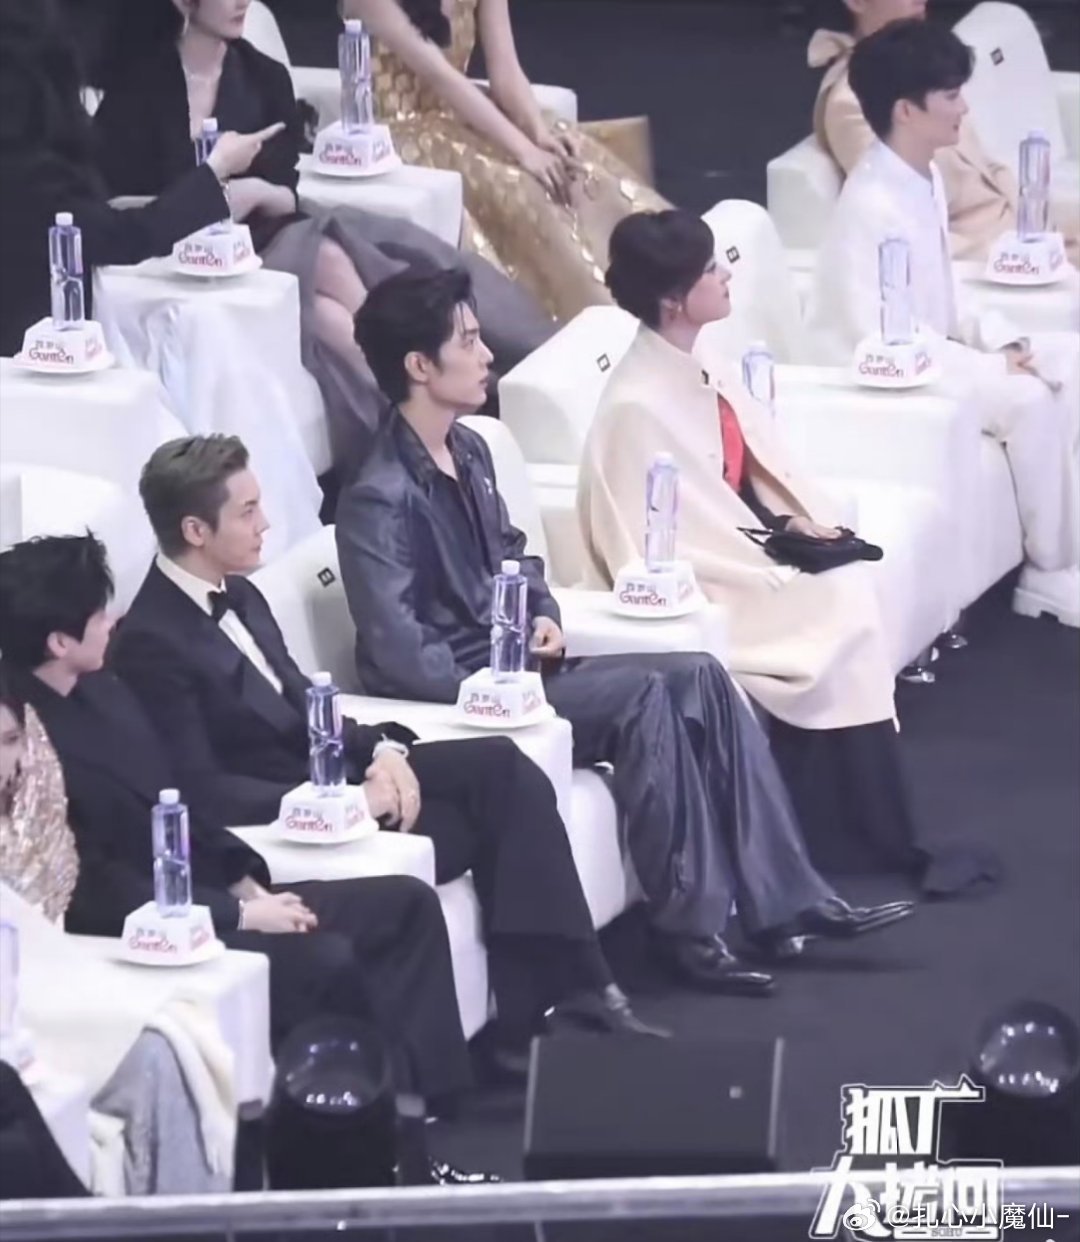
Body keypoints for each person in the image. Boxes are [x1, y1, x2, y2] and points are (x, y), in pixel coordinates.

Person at [333, 266, 918, 998]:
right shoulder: (378, 497)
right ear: (420, 366)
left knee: (699, 671)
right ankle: (692, 930)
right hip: (472, 697)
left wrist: (543, 611)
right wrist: (498, 685)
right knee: (643, 695)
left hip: (524, 667)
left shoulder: (471, 449)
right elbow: (398, 652)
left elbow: (516, 553)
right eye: (470, 341)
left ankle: (789, 899)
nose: (487, 355)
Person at [108, 435, 662, 1065]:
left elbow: (303, 698)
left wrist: (379, 750)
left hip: (339, 777)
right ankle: (538, 1020)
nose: (266, 524)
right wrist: (348, 801)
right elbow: (202, 789)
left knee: (503, 769)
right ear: (195, 530)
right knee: (486, 824)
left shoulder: (241, 592)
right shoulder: (152, 639)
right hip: (296, 814)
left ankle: (572, 992)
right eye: (248, 511)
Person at [0, 536, 494, 1183]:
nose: (112, 620)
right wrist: (234, 916)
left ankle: (425, 1121)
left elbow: (177, 799)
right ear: (59, 641)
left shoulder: (105, 690)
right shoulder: (26, 742)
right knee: (324, 960)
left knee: (404, 905)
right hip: (143, 927)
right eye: (98, 613)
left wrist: (245, 883)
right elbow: (92, 886)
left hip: (208, 890)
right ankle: (360, 1162)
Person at [580, 209, 999, 896]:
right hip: (705, 580)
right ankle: (841, 832)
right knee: (838, 600)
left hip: (745, 545)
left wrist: (791, 525)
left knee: (846, 585)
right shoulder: (635, 403)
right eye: (710, 269)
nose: (726, 274)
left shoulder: (698, 363)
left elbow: (739, 477)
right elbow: (651, 532)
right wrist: (766, 556)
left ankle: (851, 826)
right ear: (674, 300)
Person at [91, 0, 555, 472]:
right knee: (330, 297)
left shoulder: (264, 76)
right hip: (183, 255)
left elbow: (285, 193)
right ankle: (436, 410)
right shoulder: (139, 86)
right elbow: (117, 205)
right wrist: (209, 191)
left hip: (263, 233)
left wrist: (250, 193)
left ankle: (429, 415)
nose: (240, 2)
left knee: (335, 280)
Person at [806, 19, 1080, 628]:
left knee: (1068, 358)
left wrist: (1007, 341)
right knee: (1029, 401)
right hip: (890, 376)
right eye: (951, 96)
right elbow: (882, 336)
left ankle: (1069, 541)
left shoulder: (921, 176)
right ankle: (1050, 570)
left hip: (938, 352)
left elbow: (944, 290)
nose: (965, 109)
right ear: (907, 110)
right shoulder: (871, 205)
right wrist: (989, 366)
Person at [1, 669, 232, 1195]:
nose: (4, 761)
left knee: (170, 1038)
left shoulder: (34, 789)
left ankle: (190, 1220)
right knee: (154, 1055)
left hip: (41, 970)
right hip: (24, 1007)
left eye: (11, 741)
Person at [341, 0, 669, 320]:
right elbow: (441, 77)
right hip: (398, 137)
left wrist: (539, 133)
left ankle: (661, 280)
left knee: (577, 165)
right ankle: (592, 316)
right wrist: (525, 151)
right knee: (525, 184)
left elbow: (506, 72)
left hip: (462, 116)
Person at [0, 0, 284, 357]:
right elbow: (123, 237)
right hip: (32, 354)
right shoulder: (30, 166)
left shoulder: (262, 76)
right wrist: (214, 171)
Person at [807, 0, 1078, 261]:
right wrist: (1023, 258)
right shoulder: (855, 102)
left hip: (1028, 237)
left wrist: (1043, 234)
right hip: (988, 263)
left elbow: (988, 169)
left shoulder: (929, 64)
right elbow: (906, 227)